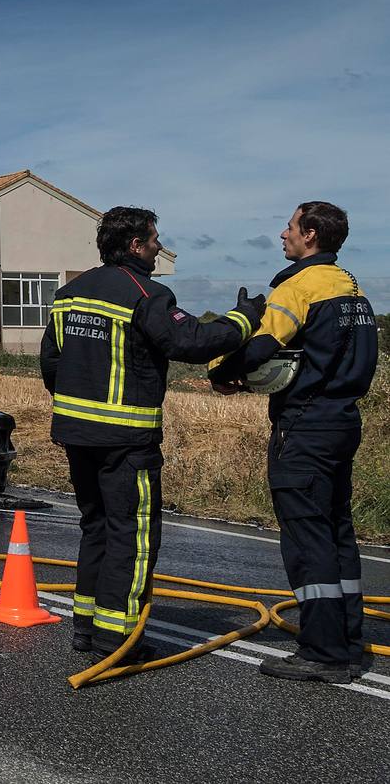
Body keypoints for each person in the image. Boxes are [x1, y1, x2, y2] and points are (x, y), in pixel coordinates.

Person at [39, 206, 265, 662]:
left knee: (96, 527)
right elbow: (191, 342)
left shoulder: (69, 293)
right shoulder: (147, 294)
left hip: (77, 436)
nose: (160, 246)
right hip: (126, 441)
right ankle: (118, 639)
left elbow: (51, 364)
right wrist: (243, 319)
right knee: (133, 534)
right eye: (155, 239)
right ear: (136, 245)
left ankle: (86, 627)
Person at [208, 202, 378, 684]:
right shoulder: (354, 289)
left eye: (288, 226)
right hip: (344, 421)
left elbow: (263, 346)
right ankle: (347, 638)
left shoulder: (298, 286)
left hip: (303, 425)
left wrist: (223, 372)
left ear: (308, 234)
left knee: (308, 538)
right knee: (337, 530)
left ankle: (323, 653)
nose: (282, 234)